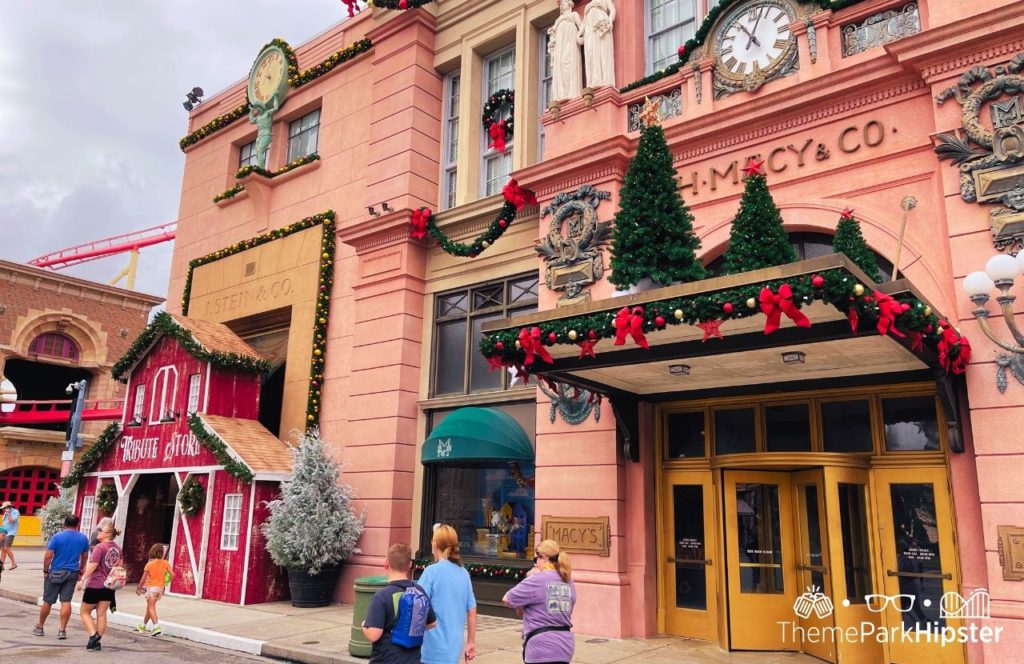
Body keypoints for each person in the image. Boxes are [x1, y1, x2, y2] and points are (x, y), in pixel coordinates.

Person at [502, 540, 576, 664]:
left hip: (540, 647)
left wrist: (521, 606)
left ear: (544, 558)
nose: (536, 564)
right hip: (565, 647)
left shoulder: (536, 580)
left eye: (536, 559)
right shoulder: (568, 581)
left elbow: (507, 599)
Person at [362, 543, 437, 663]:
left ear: (386, 564)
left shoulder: (382, 596)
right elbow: (432, 623)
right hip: (412, 659)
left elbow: (373, 634)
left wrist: (364, 625)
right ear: (410, 565)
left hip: (386, 659)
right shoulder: (419, 591)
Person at [419, 525, 477, 663]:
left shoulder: (431, 572)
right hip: (454, 647)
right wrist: (470, 642)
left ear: (435, 544)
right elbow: (472, 611)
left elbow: (417, 605)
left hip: (431, 647)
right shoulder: (464, 573)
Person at [35, 514, 90, 639]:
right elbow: (85, 555)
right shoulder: (83, 538)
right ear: (77, 524)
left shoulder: (57, 537)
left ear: (65, 524)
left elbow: (48, 556)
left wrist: (45, 570)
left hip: (55, 572)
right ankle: (62, 630)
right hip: (72, 573)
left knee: (48, 601)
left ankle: (40, 626)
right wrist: (81, 568)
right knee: (66, 601)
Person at [76, 521, 122, 651]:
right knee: (101, 614)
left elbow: (93, 565)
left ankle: (93, 635)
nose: (99, 532)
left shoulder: (100, 547)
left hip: (96, 584)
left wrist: (82, 579)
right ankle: (96, 642)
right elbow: (120, 566)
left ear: (107, 534)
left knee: (84, 612)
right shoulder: (118, 549)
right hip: (109, 585)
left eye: (101, 530)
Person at [547, 0, 583, 102]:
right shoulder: (558, 20)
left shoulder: (574, 15)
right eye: (561, 3)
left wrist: (579, 36)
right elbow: (552, 33)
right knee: (561, 64)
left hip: (570, 40)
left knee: (570, 62)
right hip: (560, 43)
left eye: (565, 2)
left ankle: (572, 92)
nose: (562, 5)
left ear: (569, 4)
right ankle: (562, 93)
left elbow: (582, 27)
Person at [136, 543, 174, 636]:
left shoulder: (149, 564)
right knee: (149, 607)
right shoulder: (166, 563)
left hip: (151, 588)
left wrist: (139, 588)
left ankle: (156, 627)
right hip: (160, 589)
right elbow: (173, 575)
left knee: (151, 607)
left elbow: (143, 579)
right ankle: (143, 625)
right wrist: (165, 583)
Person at [579, 0, 616, 88]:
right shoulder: (588, 6)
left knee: (602, 51)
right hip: (589, 30)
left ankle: (605, 80)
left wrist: (610, 21)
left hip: (601, 25)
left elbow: (613, 10)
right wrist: (578, 35)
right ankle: (594, 81)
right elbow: (584, 23)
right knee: (591, 53)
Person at [1, 501, 20, 570]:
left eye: (4, 508)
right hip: (4, 532)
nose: (3, 510)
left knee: (6, 548)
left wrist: (8, 513)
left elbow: (11, 521)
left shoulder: (15, 512)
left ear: (8, 507)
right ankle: (1, 565)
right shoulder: (5, 513)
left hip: (11, 533)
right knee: (3, 549)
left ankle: (14, 563)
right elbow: (4, 524)